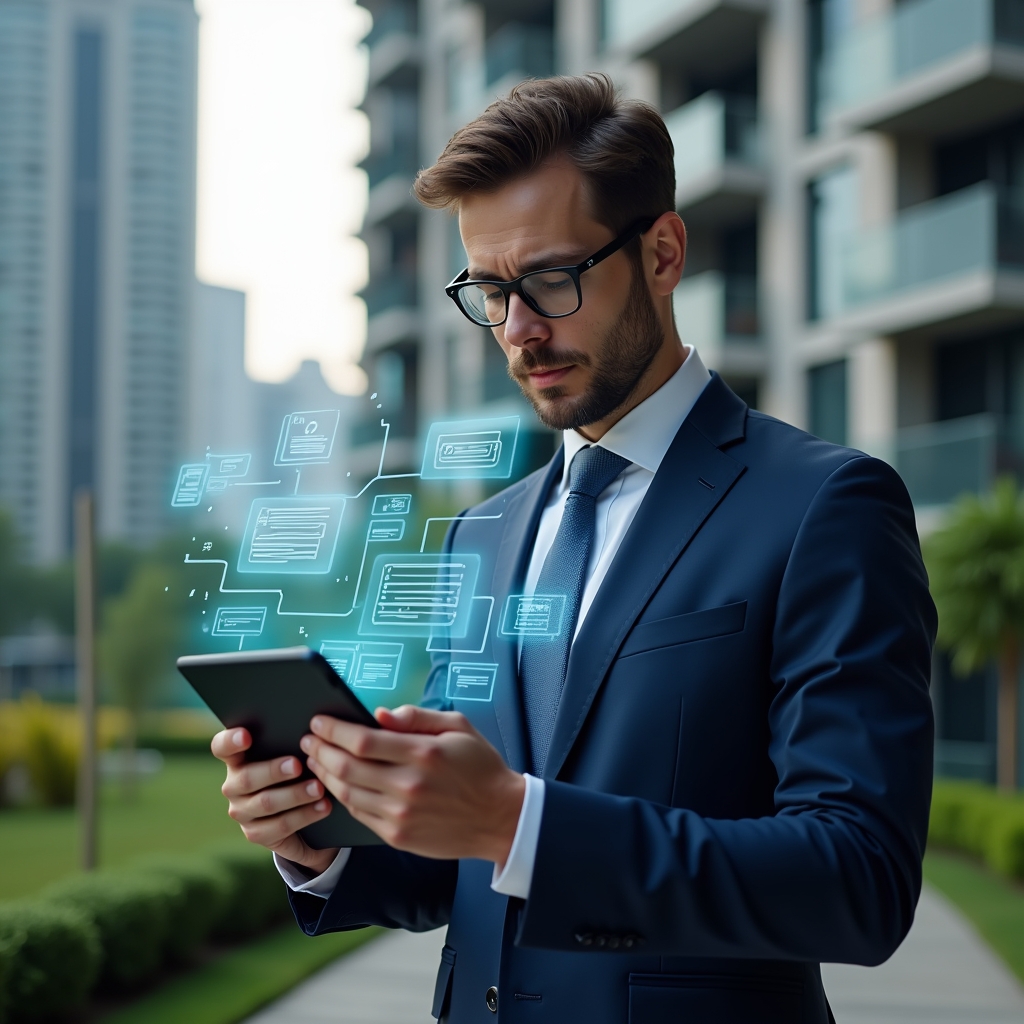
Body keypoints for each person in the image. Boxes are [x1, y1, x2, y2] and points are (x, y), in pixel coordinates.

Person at [212, 74, 936, 1023]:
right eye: (491, 291)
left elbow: (858, 880)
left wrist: (519, 820)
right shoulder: (483, 533)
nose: (518, 331)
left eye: (551, 280)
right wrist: (323, 838)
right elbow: (457, 870)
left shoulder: (826, 505)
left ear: (663, 253)